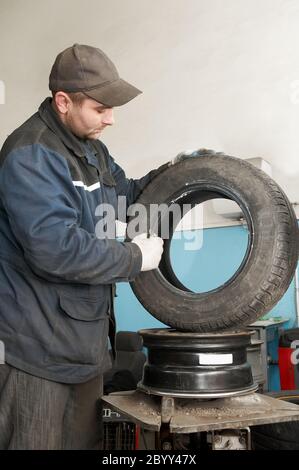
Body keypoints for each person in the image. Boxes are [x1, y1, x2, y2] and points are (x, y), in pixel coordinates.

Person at [0, 43, 168, 450]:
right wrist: (134, 258)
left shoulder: (92, 149)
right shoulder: (31, 155)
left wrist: (179, 173)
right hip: (36, 354)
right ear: (63, 101)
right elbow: (54, 247)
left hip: (84, 348)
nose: (110, 119)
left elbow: (126, 198)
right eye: (100, 108)